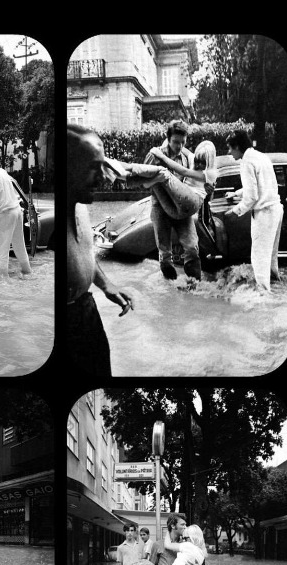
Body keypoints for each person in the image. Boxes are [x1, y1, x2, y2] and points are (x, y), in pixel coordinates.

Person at [66, 124, 135, 376]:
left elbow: (86, 253)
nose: (103, 177)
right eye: (93, 168)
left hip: (87, 311)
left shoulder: (81, 206)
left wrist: (106, 286)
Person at [140, 120, 202, 280]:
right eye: (176, 142)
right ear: (167, 138)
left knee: (192, 247)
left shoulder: (186, 158)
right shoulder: (154, 156)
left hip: (180, 208)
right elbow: (144, 183)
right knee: (165, 252)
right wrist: (159, 179)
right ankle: (170, 289)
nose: (179, 146)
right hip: (160, 207)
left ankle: (194, 286)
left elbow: (190, 183)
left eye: (183, 142)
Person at [224, 129, 284, 291]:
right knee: (271, 256)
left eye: (230, 148)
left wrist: (235, 211)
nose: (229, 152)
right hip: (276, 209)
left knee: (259, 258)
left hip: (264, 213)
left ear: (237, 146)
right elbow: (260, 184)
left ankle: (264, 297)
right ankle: (276, 284)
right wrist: (236, 193)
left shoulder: (246, 163)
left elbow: (251, 198)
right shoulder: (261, 156)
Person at [121, 140, 218, 224]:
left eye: (203, 163)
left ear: (210, 162)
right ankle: (124, 175)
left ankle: (126, 168)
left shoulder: (211, 173)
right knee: (158, 178)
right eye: (197, 161)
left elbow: (184, 171)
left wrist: (161, 156)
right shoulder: (192, 158)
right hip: (176, 208)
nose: (199, 165)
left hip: (192, 203)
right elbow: (176, 144)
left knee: (164, 173)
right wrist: (167, 142)